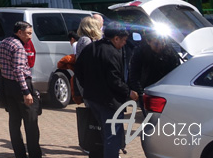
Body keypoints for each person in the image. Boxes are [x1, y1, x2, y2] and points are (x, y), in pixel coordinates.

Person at [74, 22, 138, 158]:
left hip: (92, 98)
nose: (124, 44)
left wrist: (87, 86)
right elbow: (114, 80)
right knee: (112, 137)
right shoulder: (112, 53)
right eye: (124, 40)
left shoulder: (91, 48)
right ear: (116, 38)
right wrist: (129, 92)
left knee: (104, 133)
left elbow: (78, 69)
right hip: (109, 101)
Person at [0, 21, 41, 158]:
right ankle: (34, 154)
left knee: (14, 122)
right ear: (19, 32)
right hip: (21, 86)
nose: (30, 37)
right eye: (28, 33)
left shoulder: (4, 42)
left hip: (7, 86)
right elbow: (18, 71)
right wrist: (26, 92)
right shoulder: (19, 47)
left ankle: (20, 154)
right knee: (31, 123)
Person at [128, 28, 181, 98]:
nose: (160, 46)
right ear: (148, 42)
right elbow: (134, 75)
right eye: (156, 44)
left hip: (166, 90)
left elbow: (177, 72)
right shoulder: (140, 52)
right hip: (146, 90)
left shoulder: (170, 52)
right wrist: (140, 93)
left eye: (162, 43)